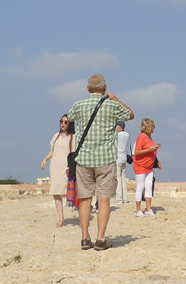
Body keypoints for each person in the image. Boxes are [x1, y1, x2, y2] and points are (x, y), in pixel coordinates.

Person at [66, 73, 134, 251]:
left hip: (84, 159)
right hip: (105, 158)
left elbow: (70, 117)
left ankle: (84, 237)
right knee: (104, 200)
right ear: (105, 88)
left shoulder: (79, 105)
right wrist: (116, 99)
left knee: (85, 199)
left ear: (88, 89)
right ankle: (101, 238)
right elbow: (130, 115)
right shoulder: (112, 105)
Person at [41, 114, 75, 227]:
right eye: (62, 121)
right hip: (55, 166)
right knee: (56, 192)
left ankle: (82, 215)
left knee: (71, 192)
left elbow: (74, 153)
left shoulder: (73, 137)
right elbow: (52, 151)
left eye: (66, 122)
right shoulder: (56, 136)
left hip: (66, 168)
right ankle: (61, 218)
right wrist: (45, 159)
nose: (63, 123)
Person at [133, 118, 160, 217]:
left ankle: (148, 208)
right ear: (148, 126)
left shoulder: (150, 137)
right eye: (153, 126)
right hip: (140, 166)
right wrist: (150, 149)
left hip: (149, 166)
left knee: (149, 186)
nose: (154, 128)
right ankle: (138, 210)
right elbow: (137, 152)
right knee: (140, 186)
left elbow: (152, 151)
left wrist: (157, 161)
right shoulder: (141, 137)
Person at [115, 120, 132, 204]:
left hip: (117, 158)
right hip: (124, 158)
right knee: (123, 178)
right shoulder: (127, 134)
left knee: (118, 178)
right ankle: (125, 198)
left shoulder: (117, 135)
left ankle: (119, 198)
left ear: (119, 127)